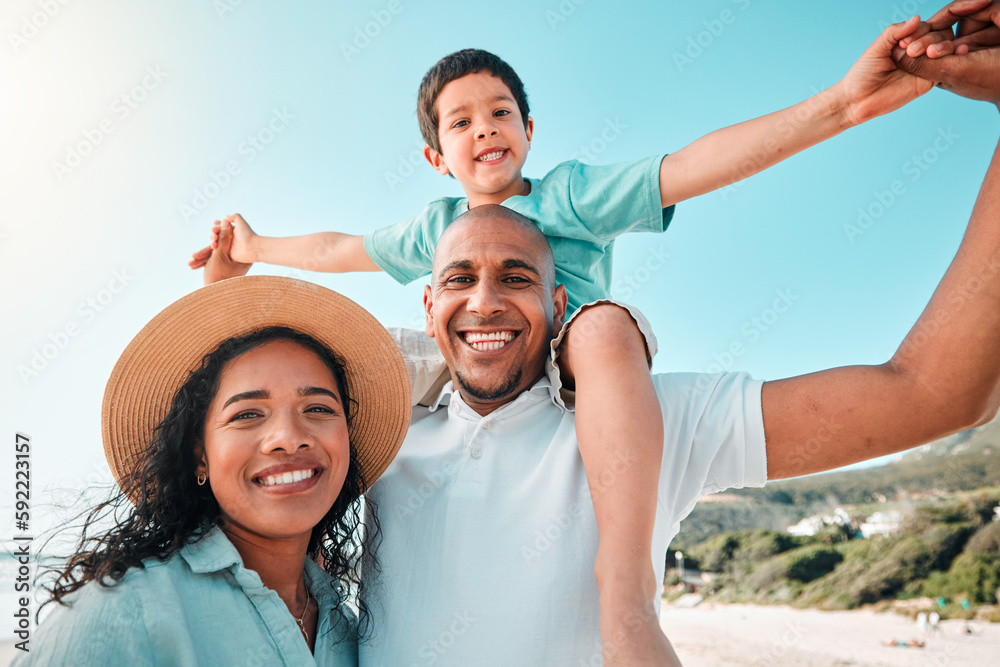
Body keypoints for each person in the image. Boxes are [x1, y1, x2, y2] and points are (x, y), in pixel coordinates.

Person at [189, 18, 946, 661]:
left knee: (606, 328)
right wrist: (253, 249)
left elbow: (692, 166)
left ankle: (625, 594)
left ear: (528, 130)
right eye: (460, 121)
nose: (483, 127)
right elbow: (338, 249)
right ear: (436, 157)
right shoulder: (434, 227)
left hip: (571, 361)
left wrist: (842, 107)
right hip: (464, 366)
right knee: (344, 361)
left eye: (500, 112)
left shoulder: (571, 196)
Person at [14, 276, 411, 666]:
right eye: (248, 414)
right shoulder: (125, 613)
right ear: (199, 456)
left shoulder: (347, 630)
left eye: (319, 409)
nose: (289, 438)